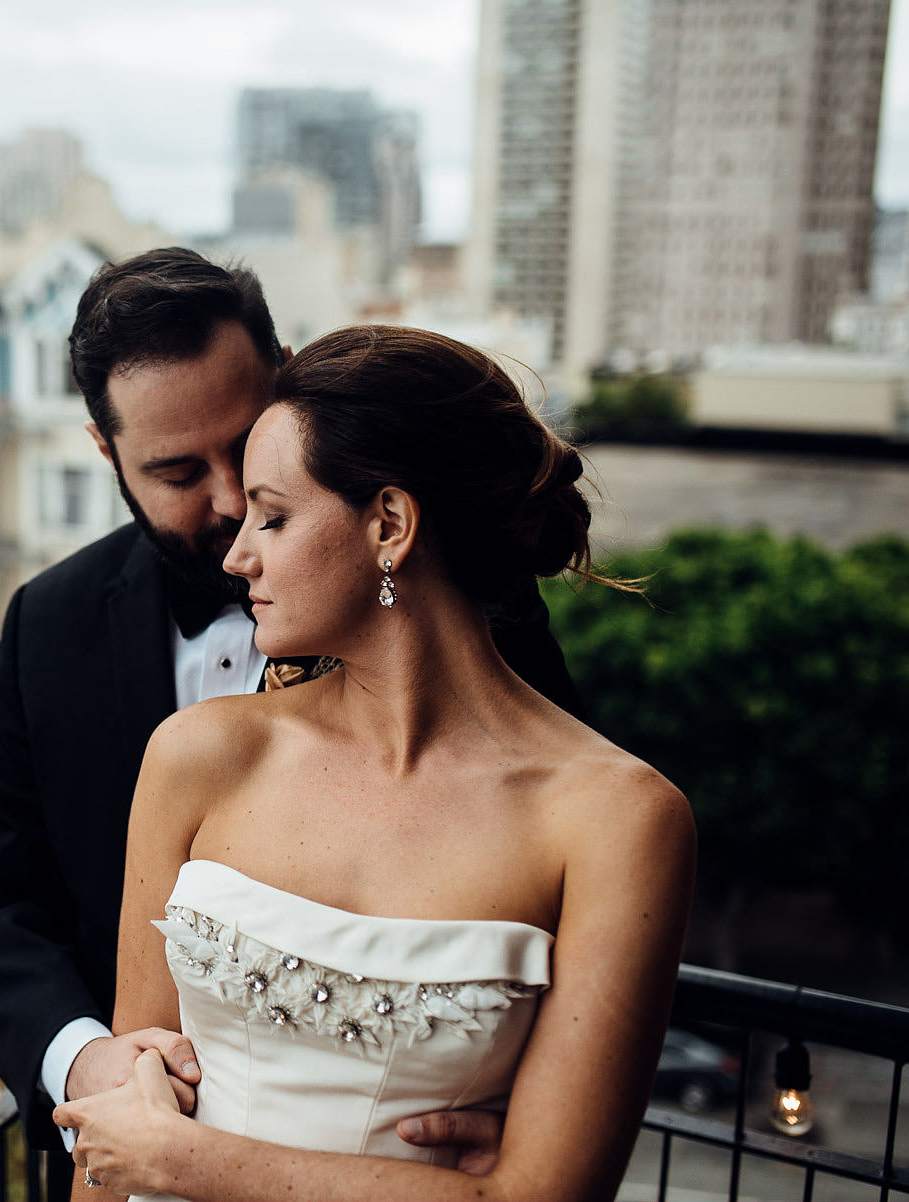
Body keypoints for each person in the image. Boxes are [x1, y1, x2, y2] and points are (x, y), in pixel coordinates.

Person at [0, 249, 586, 1199]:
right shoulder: (52, 622)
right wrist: (90, 1068)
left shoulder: (463, 602)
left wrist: (534, 1108)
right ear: (104, 450)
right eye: (177, 472)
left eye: (243, 446)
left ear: (284, 373)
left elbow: (557, 870)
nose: (232, 503)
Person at [50, 325, 695, 1202]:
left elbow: (547, 1199)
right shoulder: (200, 754)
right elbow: (126, 1118)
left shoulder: (618, 819)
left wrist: (186, 1162)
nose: (239, 552)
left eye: (274, 516)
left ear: (388, 523)